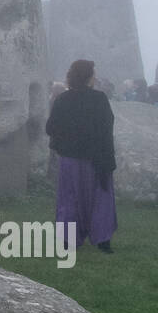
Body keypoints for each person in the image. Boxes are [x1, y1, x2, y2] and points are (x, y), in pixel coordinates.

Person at [46, 59, 116, 252]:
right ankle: (103, 240)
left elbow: (51, 127)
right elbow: (106, 127)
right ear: (88, 77)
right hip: (97, 158)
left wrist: (66, 140)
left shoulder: (62, 100)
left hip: (71, 158)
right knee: (100, 197)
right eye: (93, 73)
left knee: (70, 198)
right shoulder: (99, 99)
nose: (95, 77)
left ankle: (68, 240)